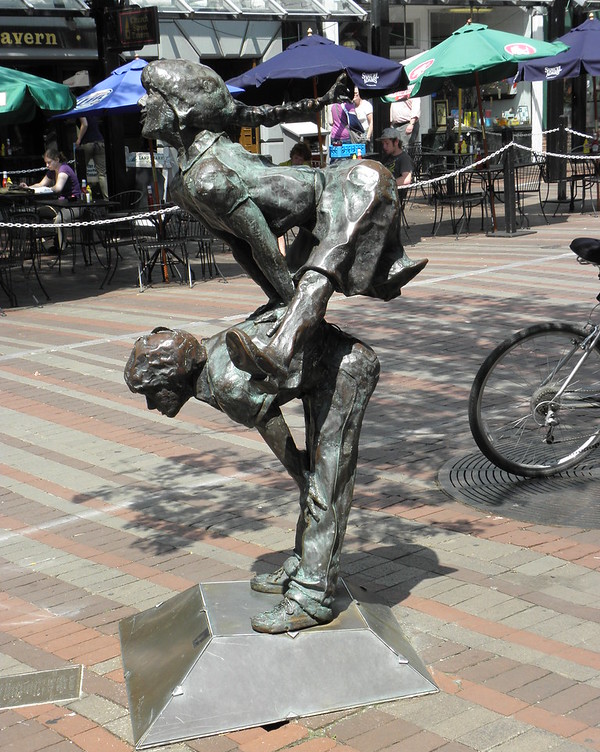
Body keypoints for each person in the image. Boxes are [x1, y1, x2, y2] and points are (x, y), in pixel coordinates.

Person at [139, 59, 427, 390]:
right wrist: (279, 299)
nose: (142, 103)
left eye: (151, 94)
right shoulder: (184, 185)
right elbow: (240, 246)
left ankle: (282, 346)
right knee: (303, 282)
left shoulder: (209, 177)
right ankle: (291, 325)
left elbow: (261, 241)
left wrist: (292, 303)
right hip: (311, 215)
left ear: (179, 106)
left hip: (348, 184)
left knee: (322, 265)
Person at [124, 313, 380, 634]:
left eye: (151, 392)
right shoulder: (207, 359)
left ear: (173, 377)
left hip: (346, 371)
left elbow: (270, 425)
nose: (151, 405)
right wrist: (302, 476)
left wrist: (302, 477)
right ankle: (304, 564)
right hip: (324, 371)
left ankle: (313, 596)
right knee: (313, 482)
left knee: (324, 486)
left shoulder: (225, 383)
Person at [22, 147, 83, 253]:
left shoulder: (64, 169)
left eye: (49, 162)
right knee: (38, 213)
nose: (47, 165)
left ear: (57, 160)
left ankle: (61, 247)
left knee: (60, 219)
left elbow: (57, 188)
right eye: (46, 163)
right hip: (60, 204)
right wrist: (28, 187)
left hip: (74, 204)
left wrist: (45, 190)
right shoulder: (52, 171)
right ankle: (40, 243)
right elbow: (41, 184)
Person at [75, 116, 109, 199]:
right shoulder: (90, 108)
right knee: (102, 174)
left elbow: (85, 124)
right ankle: (107, 199)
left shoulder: (80, 108)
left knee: (81, 171)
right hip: (99, 141)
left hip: (87, 142)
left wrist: (78, 140)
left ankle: (82, 197)